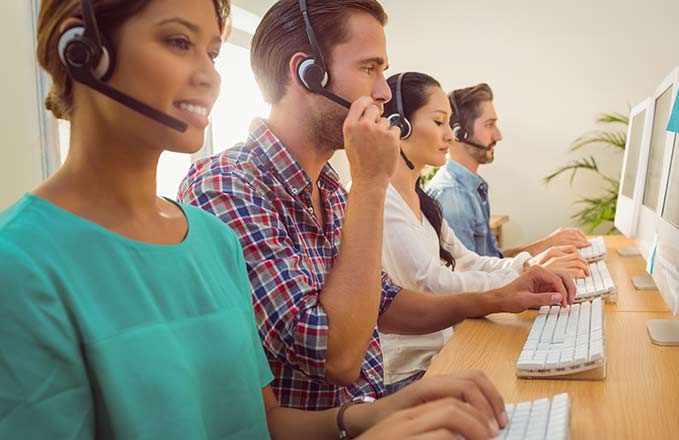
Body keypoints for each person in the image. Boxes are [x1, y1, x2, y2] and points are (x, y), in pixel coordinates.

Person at [0, 1, 514, 438]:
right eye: (178, 42)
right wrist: (373, 185)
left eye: (213, 52)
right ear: (82, 52)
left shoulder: (210, 240)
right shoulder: (21, 266)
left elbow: (258, 420)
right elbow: (336, 355)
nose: (211, 77)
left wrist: (373, 416)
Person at [179, 0, 574, 411]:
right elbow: (337, 356)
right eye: (370, 69)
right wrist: (369, 181)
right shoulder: (229, 185)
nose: (384, 92)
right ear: (306, 73)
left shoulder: (327, 186)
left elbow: (386, 302)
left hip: (371, 406)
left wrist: (500, 298)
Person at [377, 72, 588, 386]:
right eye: (439, 122)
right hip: (412, 372)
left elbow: (468, 259)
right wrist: (518, 280)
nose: (450, 135)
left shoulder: (422, 199)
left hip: (445, 349)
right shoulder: (381, 200)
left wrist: (528, 267)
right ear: (399, 125)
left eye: (450, 123)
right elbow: (431, 284)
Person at [426, 83, 591, 258]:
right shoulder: (453, 196)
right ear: (459, 133)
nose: (498, 136)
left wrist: (547, 246)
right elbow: (468, 279)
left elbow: (492, 262)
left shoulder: (469, 188)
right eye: (489, 125)